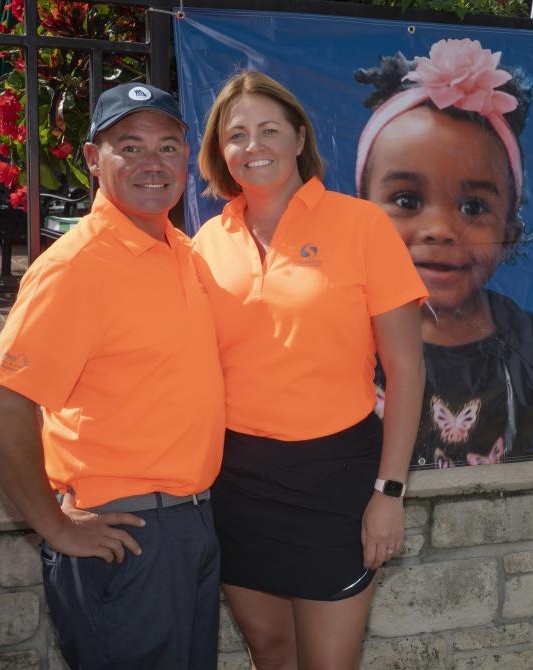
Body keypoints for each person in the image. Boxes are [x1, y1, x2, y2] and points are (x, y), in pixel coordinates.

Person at [0, 83, 225, 669]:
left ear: (187, 156)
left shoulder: (183, 253)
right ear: (92, 159)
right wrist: (55, 527)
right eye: (129, 147)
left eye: (167, 146)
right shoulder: (76, 268)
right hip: (127, 536)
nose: (152, 163)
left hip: (191, 524)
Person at [192, 70, 427, 669]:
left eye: (269, 130)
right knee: (269, 650)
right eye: (237, 134)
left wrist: (389, 494)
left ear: (300, 138)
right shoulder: (205, 243)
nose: (254, 146)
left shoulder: (362, 225)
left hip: (338, 482)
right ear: (221, 151)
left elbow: (406, 370)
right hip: (237, 483)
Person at [355, 38, 533, 468]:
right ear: (359, 218)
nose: (441, 231)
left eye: (472, 208)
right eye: (408, 201)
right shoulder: (343, 335)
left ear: (510, 234)